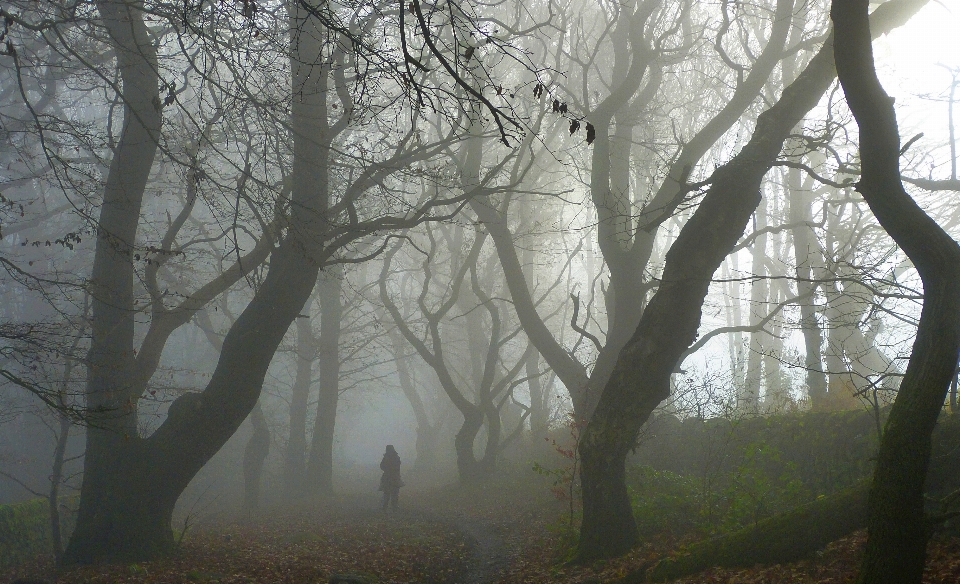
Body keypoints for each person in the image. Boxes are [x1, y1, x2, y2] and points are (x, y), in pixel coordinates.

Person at [379, 444, 403, 511]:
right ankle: (394, 507)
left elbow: (381, 466)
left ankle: (385, 507)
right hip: (394, 477)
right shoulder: (396, 457)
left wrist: (387, 469)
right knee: (394, 493)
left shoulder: (386, 457)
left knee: (387, 493)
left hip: (388, 477)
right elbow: (397, 467)